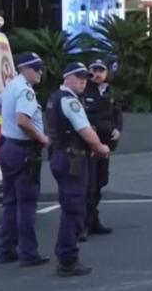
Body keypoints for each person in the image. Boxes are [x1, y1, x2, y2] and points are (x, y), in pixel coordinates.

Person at [45, 62, 112, 277]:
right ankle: (67, 259)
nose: (84, 80)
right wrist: (101, 147)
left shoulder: (55, 97)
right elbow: (85, 131)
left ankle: (67, 254)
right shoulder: (69, 101)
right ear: (67, 77)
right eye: (79, 77)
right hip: (72, 158)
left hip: (60, 155)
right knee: (74, 209)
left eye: (86, 77)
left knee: (70, 206)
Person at [0, 53, 51, 267]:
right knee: (26, 204)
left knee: (10, 202)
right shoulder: (25, 91)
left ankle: (7, 249)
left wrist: (7, 122)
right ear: (25, 69)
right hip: (24, 151)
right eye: (36, 68)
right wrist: (42, 138)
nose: (40, 72)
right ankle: (29, 253)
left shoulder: (11, 86)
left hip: (8, 147)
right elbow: (23, 121)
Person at [81, 58, 123, 239]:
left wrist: (118, 130)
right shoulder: (84, 91)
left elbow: (117, 114)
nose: (97, 74)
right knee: (88, 186)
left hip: (105, 146)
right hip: (89, 147)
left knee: (99, 184)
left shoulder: (110, 92)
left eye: (101, 70)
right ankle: (82, 225)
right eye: (94, 70)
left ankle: (93, 221)